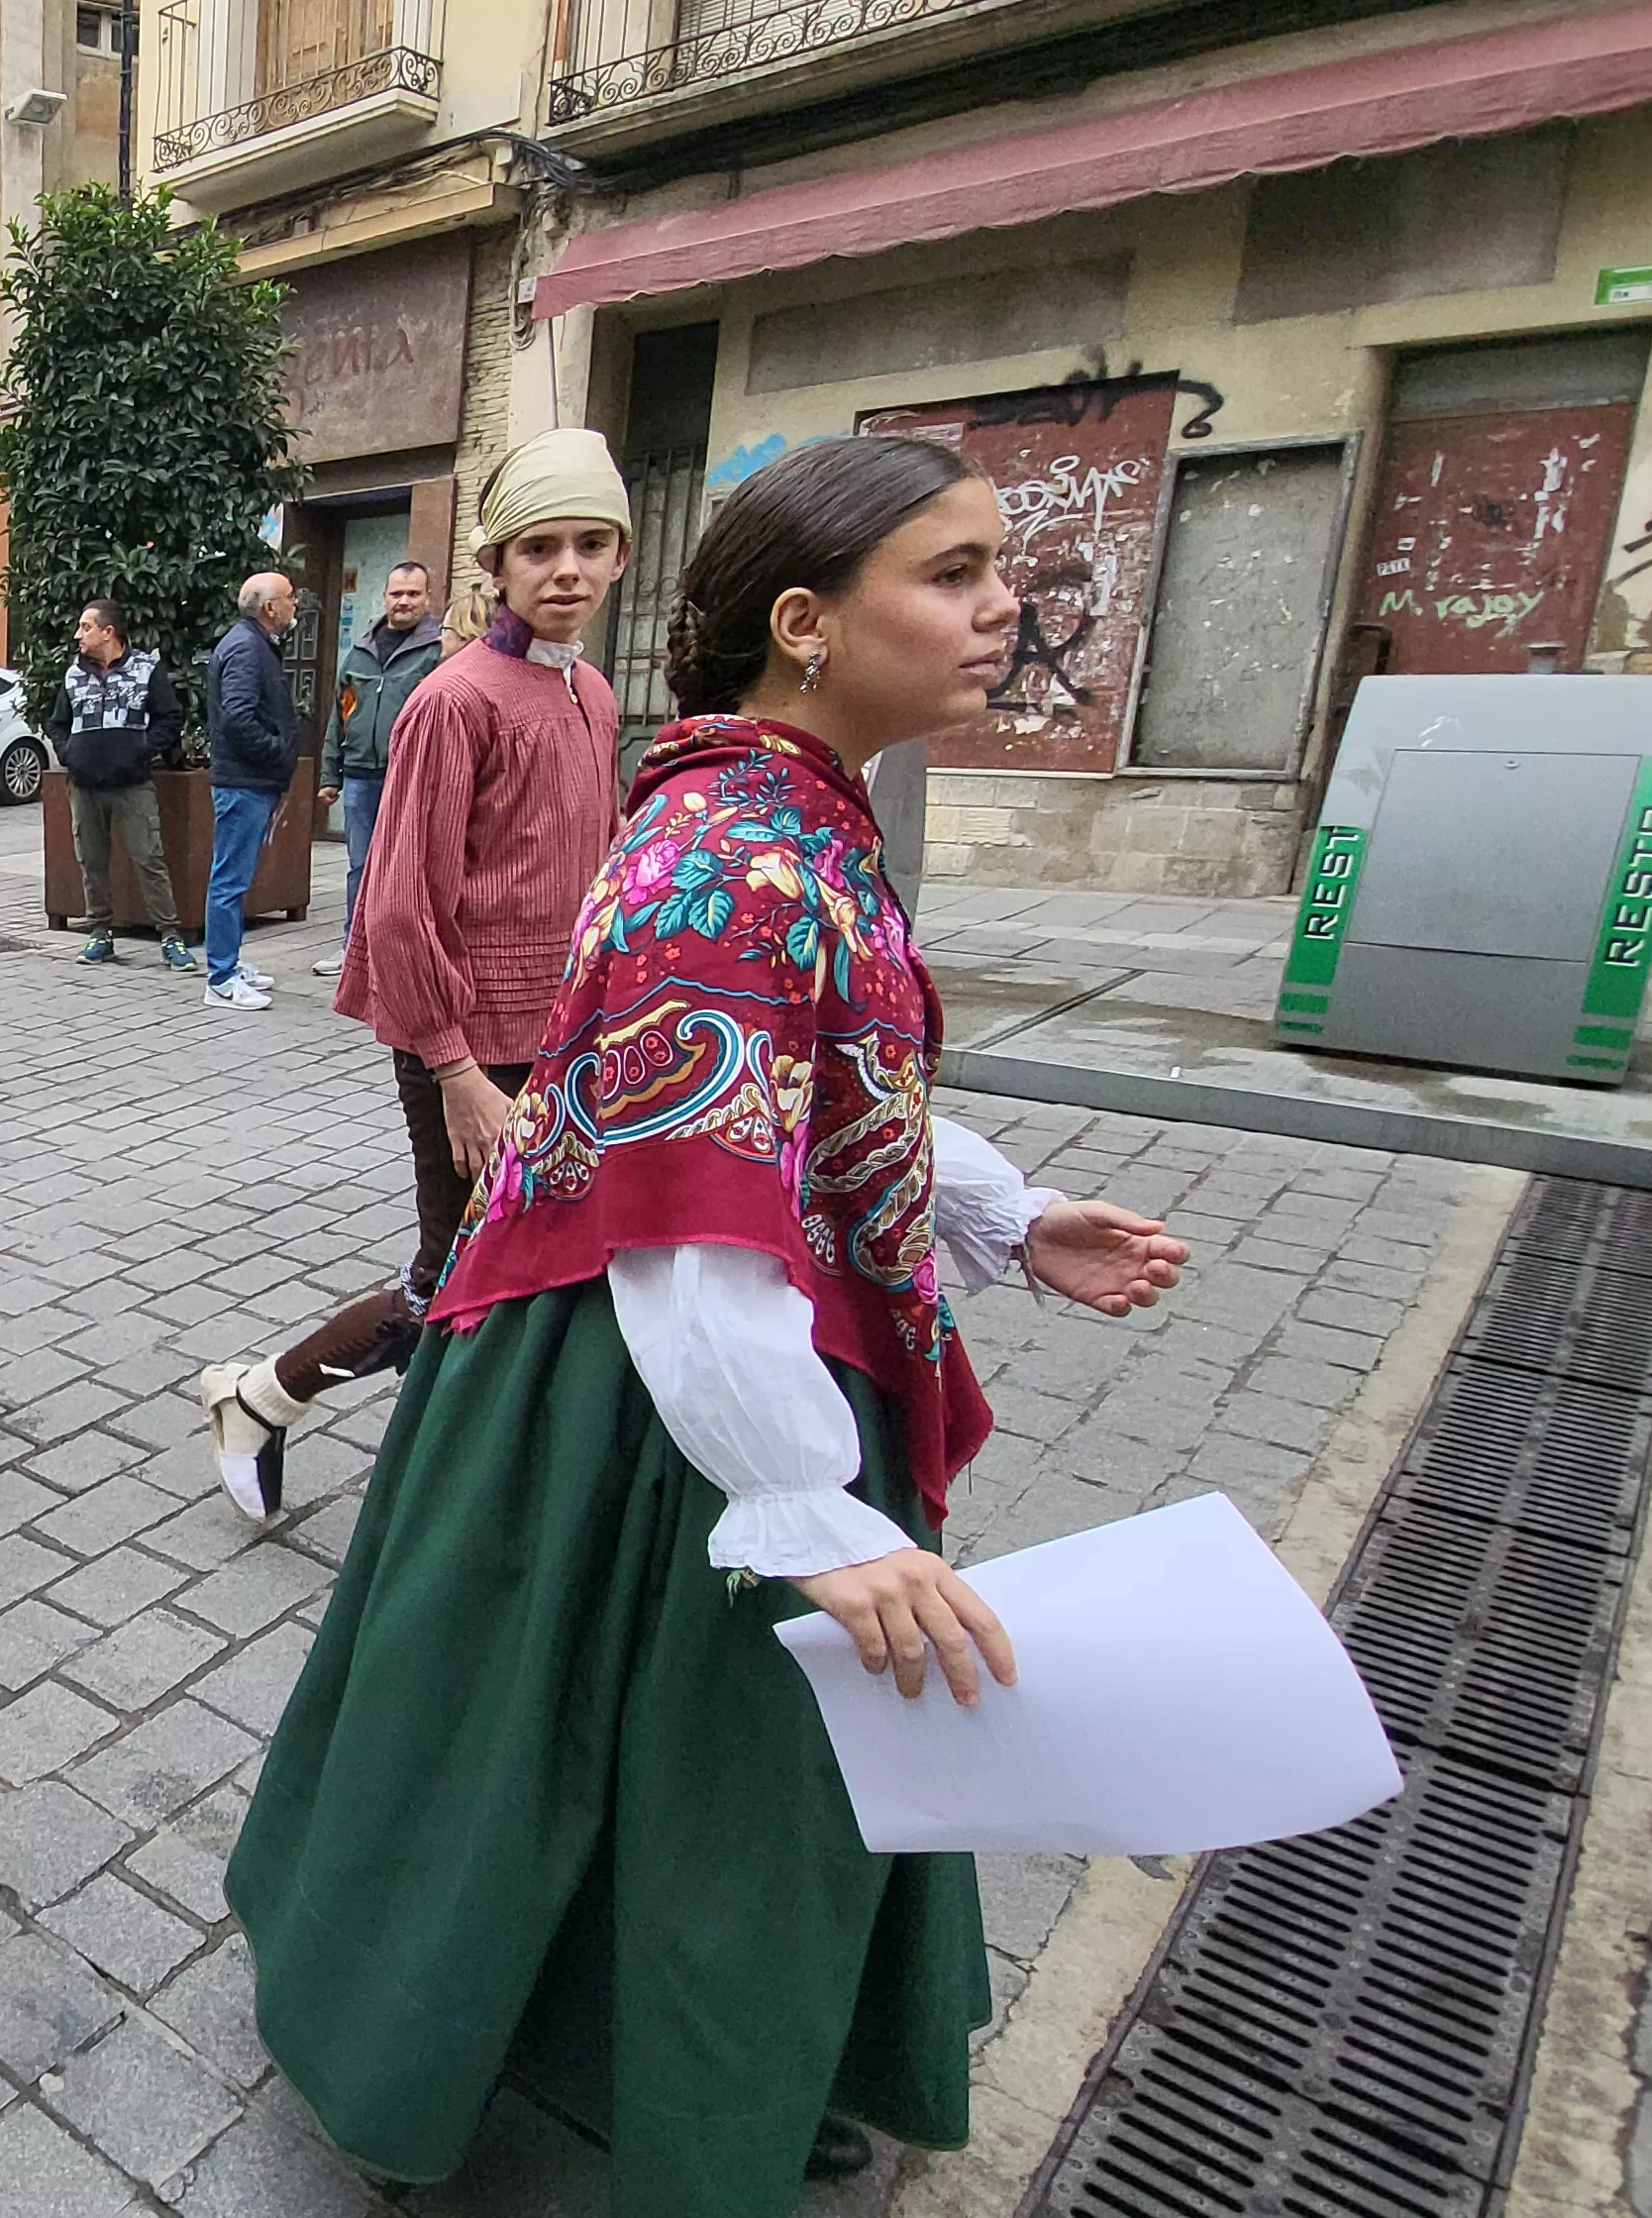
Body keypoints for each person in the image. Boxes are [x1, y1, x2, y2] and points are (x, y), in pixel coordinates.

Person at [224, 434, 1196, 2207]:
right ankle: (637, 2066)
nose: (1003, 609)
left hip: (671, 1348)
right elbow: (685, 1205)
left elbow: (817, 1080)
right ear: (808, 624)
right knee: (702, 1759)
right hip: (674, 1380)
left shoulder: (774, 809)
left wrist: (1000, 1210)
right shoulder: (738, 847)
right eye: (955, 574)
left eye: (996, 569)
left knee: (585, 1734)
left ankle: (593, 2032)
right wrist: (806, 1505)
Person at [197, 435, 634, 1518]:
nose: (566, 568)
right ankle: (276, 1405)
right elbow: (396, 902)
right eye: (541, 546)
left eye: (590, 544)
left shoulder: (592, 691)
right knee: (458, 1271)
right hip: (465, 1040)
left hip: (561, 1034)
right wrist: (453, 1068)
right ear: (497, 562)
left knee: (522, 1264)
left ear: (621, 556)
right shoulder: (455, 700)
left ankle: (349, 1436)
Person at [313, 561, 440, 983]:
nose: (404, 601)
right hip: (360, 777)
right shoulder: (361, 650)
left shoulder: (438, 650)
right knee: (360, 865)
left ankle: (402, 953)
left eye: (413, 594)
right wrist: (330, 773)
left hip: (411, 777)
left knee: (408, 867)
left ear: (427, 598)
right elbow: (340, 713)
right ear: (384, 597)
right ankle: (355, 947)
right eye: (397, 593)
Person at [57, 598, 194, 972]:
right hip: (85, 785)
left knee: (149, 858)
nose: (77, 635)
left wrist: (142, 750)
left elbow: (170, 717)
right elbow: (58, 722)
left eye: (85, 627)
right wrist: (68, 752)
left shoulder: (147, 669)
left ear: (108, 631)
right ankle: (100, 932)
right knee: (92, 860)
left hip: (132, 784)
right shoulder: (73, 674)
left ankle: (170, 936)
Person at [201, 571, 300, 1009]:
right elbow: (238, 719)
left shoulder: (254, 644)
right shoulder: (246, 649)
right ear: (269, 608)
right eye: (290, 597)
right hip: (244, 782)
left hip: (250, 781)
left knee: (235, 878)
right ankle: (220, 978)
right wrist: (278, 752)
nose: (295, 604)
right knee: (230, 879)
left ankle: (229, 963)